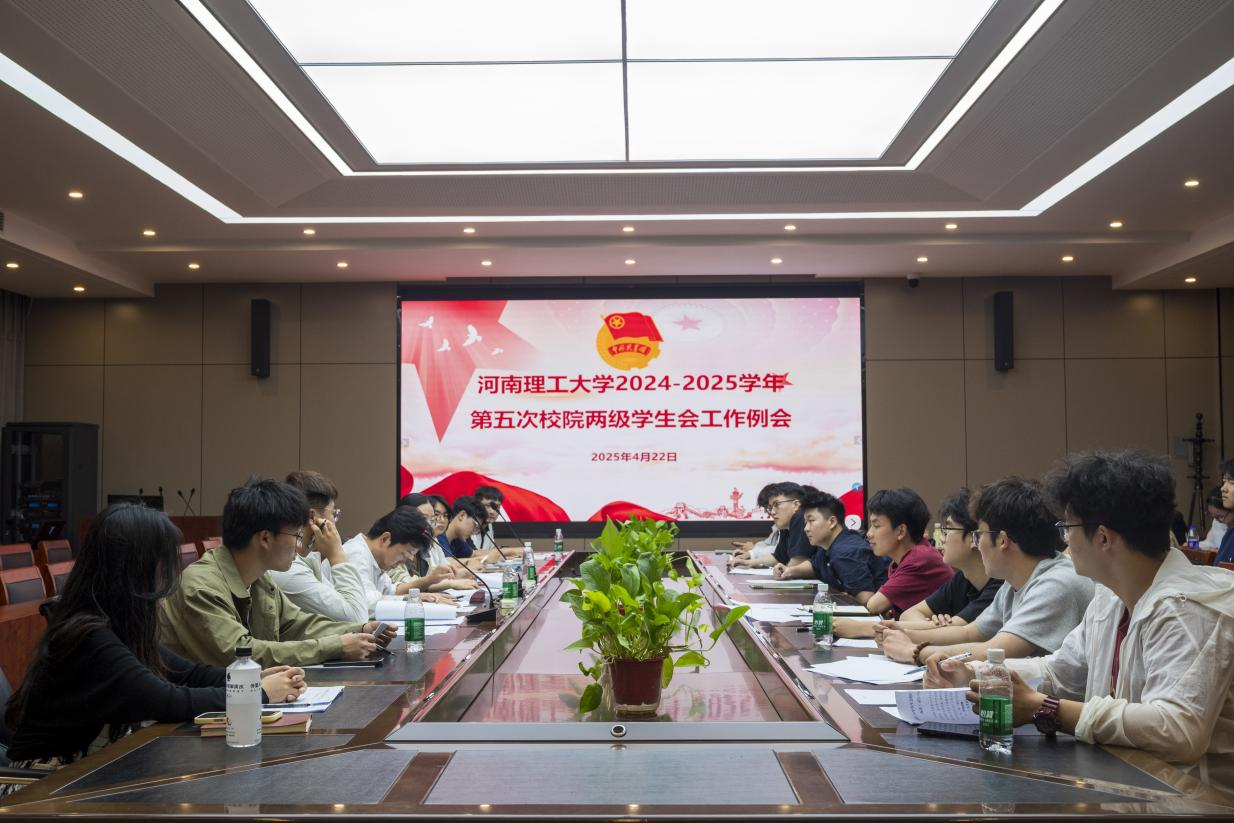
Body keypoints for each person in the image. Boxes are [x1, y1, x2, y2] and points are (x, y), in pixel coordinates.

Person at [927, 452, 1234, 789]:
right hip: (1129, 782)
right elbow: (1060, 671)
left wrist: (1047, 709)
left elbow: (1176, 729)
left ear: (1103, 537)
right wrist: (977, 674)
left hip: (1195, 798)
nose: (1064, 540)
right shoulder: (1110, 597)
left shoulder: (1185, 608)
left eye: (1068, 528)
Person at [2, 505, 306, 791]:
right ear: (134, 572)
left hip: (86, 771)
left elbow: (187, 673)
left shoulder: (116, 627)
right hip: (41, 786)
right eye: (161, 567)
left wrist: (250, 677)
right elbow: (166, 700)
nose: (166, 581)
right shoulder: (88, 637)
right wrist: (257, 693)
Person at [159, 478, 393, 667]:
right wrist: (336, 646)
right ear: (265, 538)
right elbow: (243, 654)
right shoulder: (201, 586)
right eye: (296, 535)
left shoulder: (260, 578)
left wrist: (357, 630)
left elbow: (296, 625)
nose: (299, 544)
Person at [889, 477, 1094, 666]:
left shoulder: (1055, 584)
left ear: (1003, 540)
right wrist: (901, 633)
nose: (978, 545)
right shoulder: (1014, 582)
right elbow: (969, 633)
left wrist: (915, 651)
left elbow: (996, 650)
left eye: (979, 535)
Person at [873, 490, 1003, 655]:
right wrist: (934, 625)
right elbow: (909, 614)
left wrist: (902, 632)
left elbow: (960, 632)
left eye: (947, 530)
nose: (941, 539)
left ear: (974, 537)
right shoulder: (962, 578)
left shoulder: (1000, 585)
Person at [268, 470, 368, 623]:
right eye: (334, 514)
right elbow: (357, 619)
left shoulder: (307, 560)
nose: (335, 522)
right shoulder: (287, 570)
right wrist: (338, 555)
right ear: (312, 516)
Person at [844, 488, 953, 618]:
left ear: (901, 531)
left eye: (876, 526)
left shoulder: (920, 558)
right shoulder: (906, 558)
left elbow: (874, 606)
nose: (869, 534)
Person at [342, 506, 450, 614]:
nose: (402, 562)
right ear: (385, 539)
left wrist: (419, 597)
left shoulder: (375, 558)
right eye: (403, 554)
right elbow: (366, 603)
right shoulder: (356, 554)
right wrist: (408, 600)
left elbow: (391, 591)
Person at [799, 490, 886, 600]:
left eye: (811, 521)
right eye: (805, 522)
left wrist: (841, 597)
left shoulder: (845, 552)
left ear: (832, 522)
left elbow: (865, 599)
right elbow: (815, 566)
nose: (806, 528)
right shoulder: (829, 545)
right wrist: (789, 571)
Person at [392, 493, 471, 592]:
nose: (429, 525)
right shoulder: (393, 542)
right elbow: (403, 584)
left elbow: (429, 577)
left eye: (432, 519)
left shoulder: (424, 543)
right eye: (424, 518)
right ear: (405, 517)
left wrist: (451, 575)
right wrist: (449, 584)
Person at [731, 483, 812, 574]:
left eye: (776, 505)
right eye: (770, 508)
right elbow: (778, 557)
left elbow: (798, 562)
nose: (772, 512)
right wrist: (749, 563)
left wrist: (785, 571)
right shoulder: (785, 526)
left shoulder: (800, 518)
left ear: (796, 505)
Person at [730, 483, 782, 561]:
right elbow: (768, 544)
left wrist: (752, 551)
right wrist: (753, 550)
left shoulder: (792, 525)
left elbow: (779, 551)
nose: (770, 512)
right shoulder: (778, 526)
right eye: (768, 508)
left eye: (774, 505)